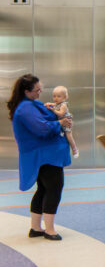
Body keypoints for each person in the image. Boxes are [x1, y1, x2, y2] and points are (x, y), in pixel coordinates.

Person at [7, 74, 72, 241]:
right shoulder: (25, 108)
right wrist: (61, 123)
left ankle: (36, 228)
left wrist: (57, 114)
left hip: (43, 154)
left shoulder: (29, 104)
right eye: (37, 90)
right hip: (44, 155)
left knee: (43, 188)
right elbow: (42, 128)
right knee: (54, 188)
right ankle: (49, 230)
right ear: (26, 91)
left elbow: (47, 117)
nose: (40, 92)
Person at [45, 85, 79, 158]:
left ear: (65, 97)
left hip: (66, 122)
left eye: (58, 96)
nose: (56, 98)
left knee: (68, 135)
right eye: (54, 96)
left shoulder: (63, 105)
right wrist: (48, 104)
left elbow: (61, 114)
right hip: (61, 123)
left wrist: (53, 110)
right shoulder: (57, 104)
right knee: (62, 136)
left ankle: (74, 149)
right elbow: (52, 104)